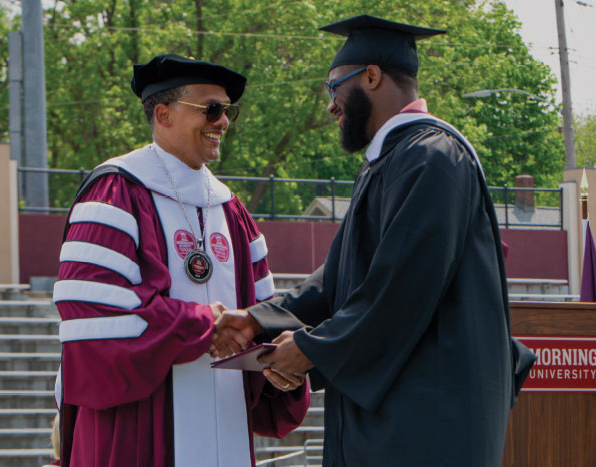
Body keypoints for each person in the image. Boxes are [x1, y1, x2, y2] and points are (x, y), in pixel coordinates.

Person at [213, 15, 535, 467]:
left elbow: (400, 289)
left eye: (333, 88)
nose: (330, 106)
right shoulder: (392, 160)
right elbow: (341, 279)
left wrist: (309, 348)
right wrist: (259, 320)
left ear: (371, 76)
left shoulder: (434, 159)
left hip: (429, 424)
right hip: (393, 418)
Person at [53, 53, 309, 467]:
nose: (223, 122)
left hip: (225, 416)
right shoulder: (115, 192)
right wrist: (203, 325)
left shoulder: (231, 209)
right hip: (140, 423)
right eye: (211, 109)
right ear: (163, 114)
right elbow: (93, 311)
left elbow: (263, 311)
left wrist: (278, 357)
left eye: (228, 111)